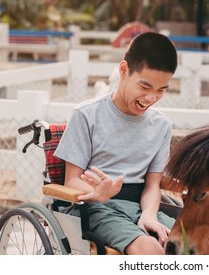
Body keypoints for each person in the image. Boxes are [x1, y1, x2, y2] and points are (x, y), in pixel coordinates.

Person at [54, 32, 178, 255]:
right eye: (145, 86)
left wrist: (149, 215)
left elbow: (152, 186)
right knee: (151, 250)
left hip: (141, 207)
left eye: (161, 90)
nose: (151, 98)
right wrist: (96, 192)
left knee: (192, 242)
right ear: (123, 70)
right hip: (96, 209)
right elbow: (71, 179)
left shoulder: (161, 126)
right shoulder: (86, 115)